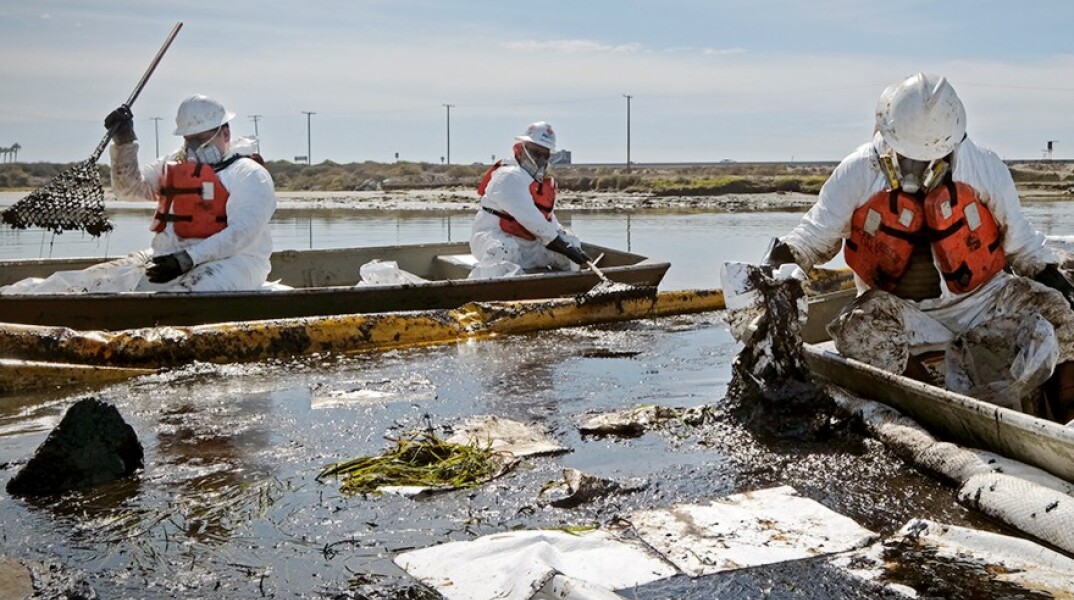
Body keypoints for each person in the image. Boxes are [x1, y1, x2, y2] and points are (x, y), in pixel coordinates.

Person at [764, 72, 1074, 420]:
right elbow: (811, 238)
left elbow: (1023, 246)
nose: (915, 168)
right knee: (858, 328)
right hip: (905, 313)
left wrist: (1057, 283)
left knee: (1057, 311)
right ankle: (934, 406)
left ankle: (1066, 416)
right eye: (907, 156)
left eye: (927, 159)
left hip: (983, 302)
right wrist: (776, 267)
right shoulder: (857, 172)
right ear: (886, 135)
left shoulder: (984, 167)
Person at [104, 94, 277, 291]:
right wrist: (124, 142)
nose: (194, 148)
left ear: (225, 134)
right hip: (173, 259)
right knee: (114, 284)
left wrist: (187, 259)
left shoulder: (249, 174)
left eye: (202, 139)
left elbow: (242, 232)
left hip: (237, 263)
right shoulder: (173, 165)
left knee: (189, 292)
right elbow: (129, 190)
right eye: (189, 140)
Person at [468, 121, 591, 279]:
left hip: (529, 244)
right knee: (505, 249)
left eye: (544, 155)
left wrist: (569, 244)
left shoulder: (539, 183)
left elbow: (547, 220)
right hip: (495, 237)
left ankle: (572, 287)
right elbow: (532, 220)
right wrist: (563, 246)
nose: (540, 160)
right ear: (520, 149)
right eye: (535, 152)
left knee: (571, 241)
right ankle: (487, 290)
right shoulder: (508, 176)